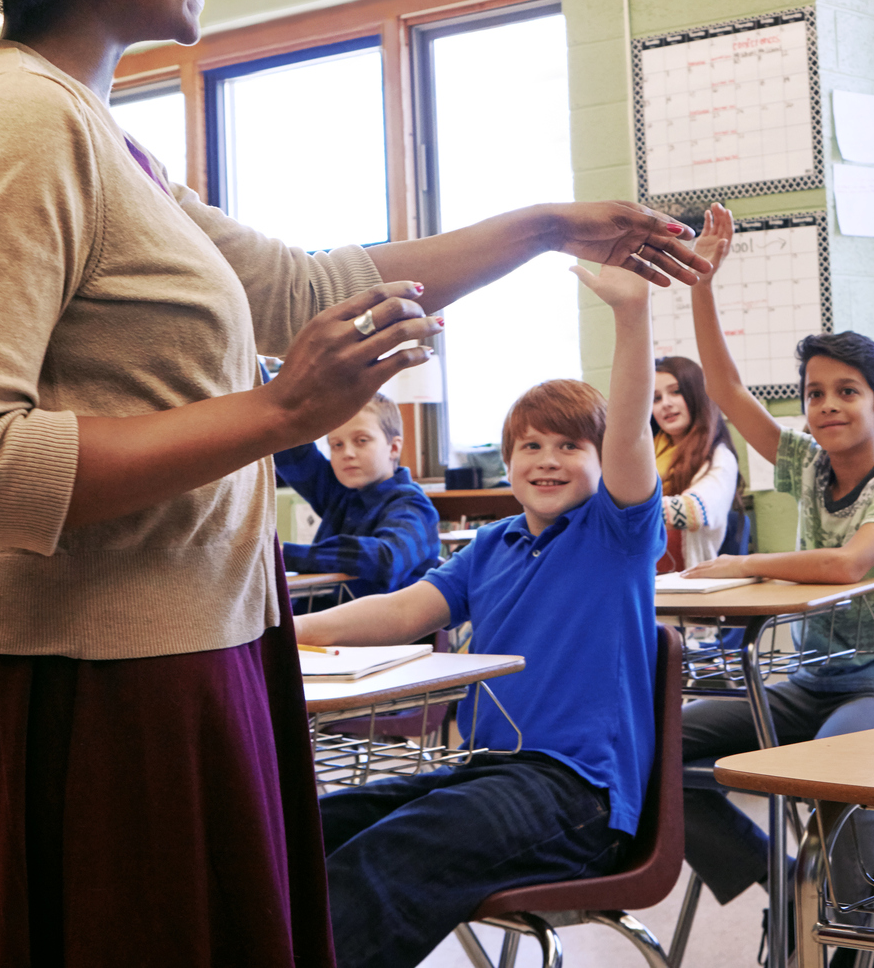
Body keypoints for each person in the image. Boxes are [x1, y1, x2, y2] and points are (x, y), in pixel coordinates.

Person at [0, 0, 706, 968]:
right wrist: (276, 416)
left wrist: (543, 225)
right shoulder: (16, 120)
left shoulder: (106, 138)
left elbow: (313, 282)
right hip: (94, 687)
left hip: (191, 653)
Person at [299, 261, 663, 968]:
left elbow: (629, 435)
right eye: (531, 445)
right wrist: (291, 633)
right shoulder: (494, 544)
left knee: (392, 854)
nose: (548, 460)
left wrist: (630, 315)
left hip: (575, 793)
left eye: (569, 446)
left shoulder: (613, 534)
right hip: (485, 770)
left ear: (600, 461)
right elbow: (404, 610)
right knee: (309, 827)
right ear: (507, 462)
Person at [676, 202, 874, 949]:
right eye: (815, 393)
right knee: (653, 742)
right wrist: (701, 281)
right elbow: (725, 394)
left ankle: (855, 931)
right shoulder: (806, 463)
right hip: (807, 683)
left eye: (846, 392)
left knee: (834, 768)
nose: (826, 407)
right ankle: (781, 880)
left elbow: (848, 562)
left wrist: (746, 562)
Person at [274, 393, 439, 595]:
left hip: (377, 624)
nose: (347, 453)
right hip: (321, 617)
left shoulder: (412, 505)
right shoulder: (339, 492)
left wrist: (286, 556)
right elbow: (289, 445)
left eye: (361, 440)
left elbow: (385, 559)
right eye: (337, 445)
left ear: (394, 448)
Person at [651, 355, 742, 569]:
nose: (666, 404)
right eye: (656, 398)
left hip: (689, 584)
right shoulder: (644, 453)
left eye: (676, 392)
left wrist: (627, 512)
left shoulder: (720, 458)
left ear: (697, 394)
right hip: (646, 581)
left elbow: (694, 511)